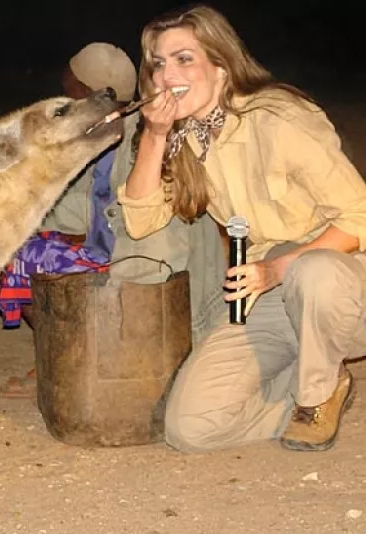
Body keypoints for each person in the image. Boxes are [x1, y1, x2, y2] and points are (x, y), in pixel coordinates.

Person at [119, 4, 366, 452]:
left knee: (312, 272)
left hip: (344, 280)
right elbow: (140, 221)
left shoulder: (279, 118)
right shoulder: (184, 138)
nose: (166, 74)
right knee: (190, 429)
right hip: (269, 288)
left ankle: (316, 396)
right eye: (158, 63)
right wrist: (155, 136)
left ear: (221, 65)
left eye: (184, 59)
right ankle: (315, 383)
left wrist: (277, 270)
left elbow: (360, 217)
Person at [0, 41, 227, 398]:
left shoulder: (147, 136)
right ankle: (62, 357)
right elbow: (77, 207)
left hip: (151, 265)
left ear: (94, 94)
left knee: (46, 262)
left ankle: (80, 360)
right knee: (17, 252)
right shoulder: (103, 134)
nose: (66, 100)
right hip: (115, 253)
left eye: (71, 91)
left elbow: (141, 226)